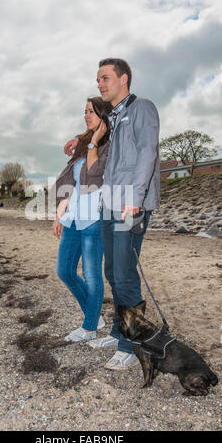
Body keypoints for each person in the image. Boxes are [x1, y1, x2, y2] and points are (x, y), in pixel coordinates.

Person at [64, 58, 160, 370]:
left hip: (130, 205)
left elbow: (147, 152)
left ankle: (130, 347)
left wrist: (135, 197)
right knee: (111, 273)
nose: (100, 84)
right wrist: (80, 139)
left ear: (124, 78)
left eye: (105, 78)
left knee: (125, 274)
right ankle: (119, 331)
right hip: (109, 205)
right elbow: (101, 147)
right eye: (98, 79)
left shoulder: (141, 108)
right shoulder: (115, 117)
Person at [52, 96, 113, 342]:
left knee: (92, 274)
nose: (86, 115)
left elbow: (93, 176)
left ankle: (89, 327)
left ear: (103, 114)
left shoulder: (109, 144)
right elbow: (72, 184)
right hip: (73, 217)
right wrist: (59, 216)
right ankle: (95, 316)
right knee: (64, 271)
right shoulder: (84, 143)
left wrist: (93, 143)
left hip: (95, 218)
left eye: (91, 111)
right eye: (84, 111)